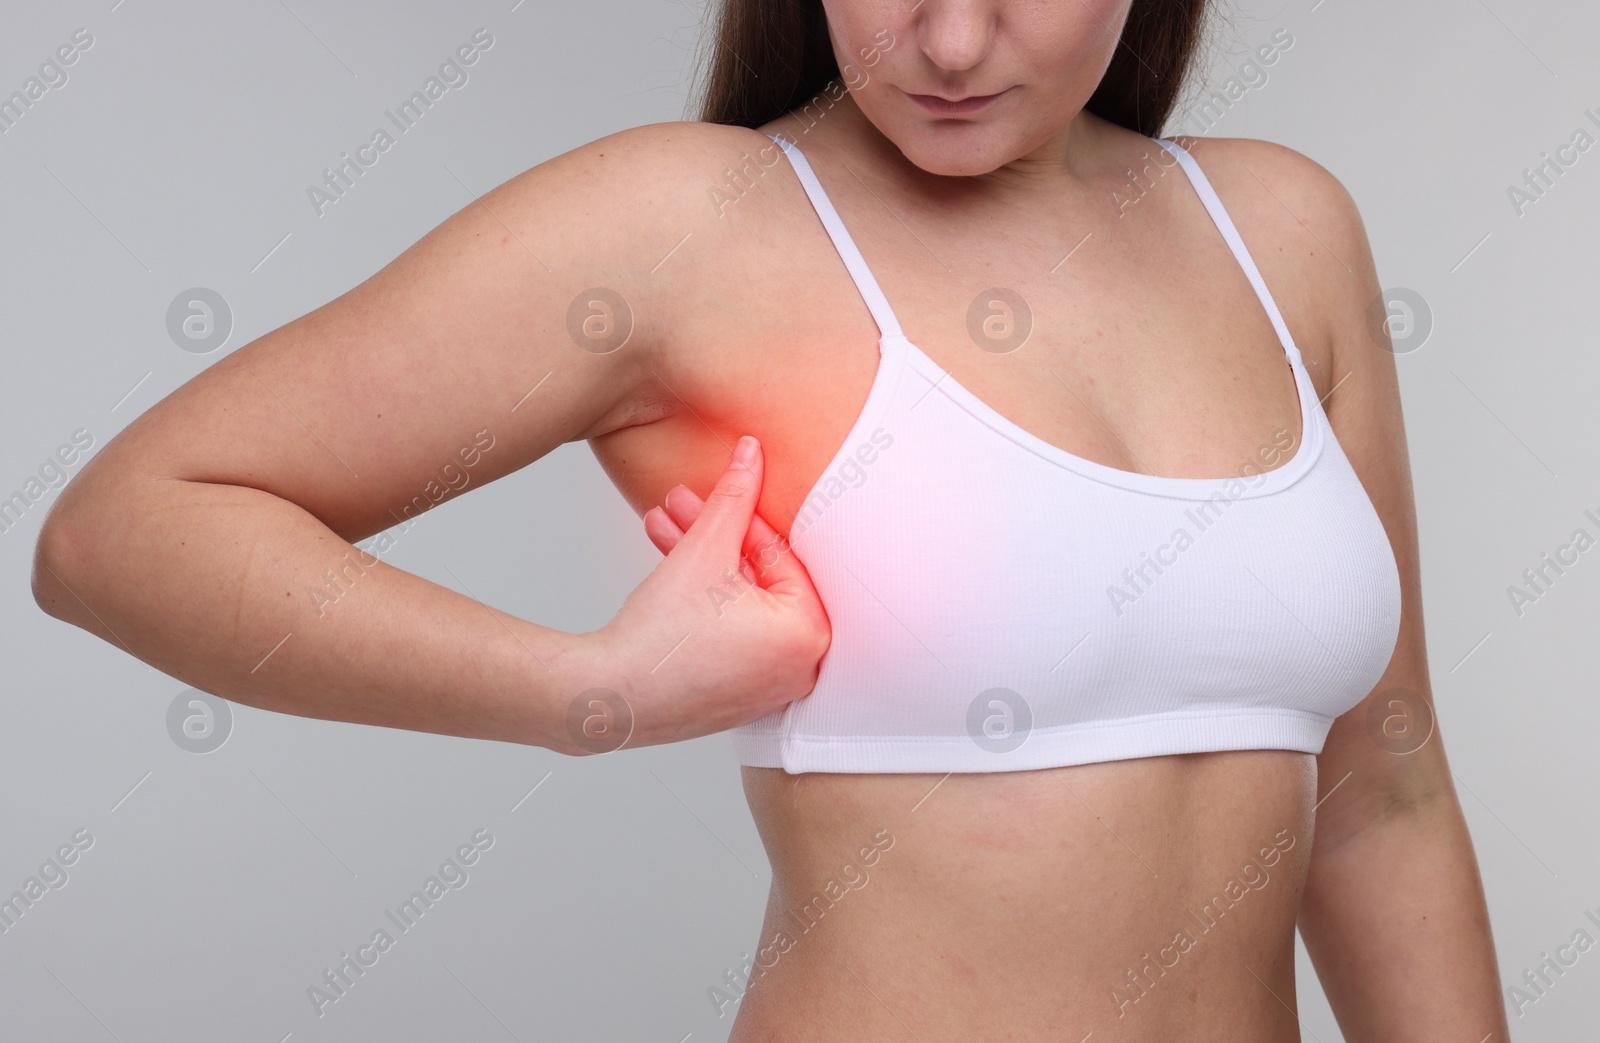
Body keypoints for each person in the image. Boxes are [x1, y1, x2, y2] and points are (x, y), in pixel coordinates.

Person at [33, 1, 1508, 1039]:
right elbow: (123, 530)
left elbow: (1386, 794)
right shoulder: (692, 227)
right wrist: (584, 692)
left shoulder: (1282, 232)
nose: (945, 37)